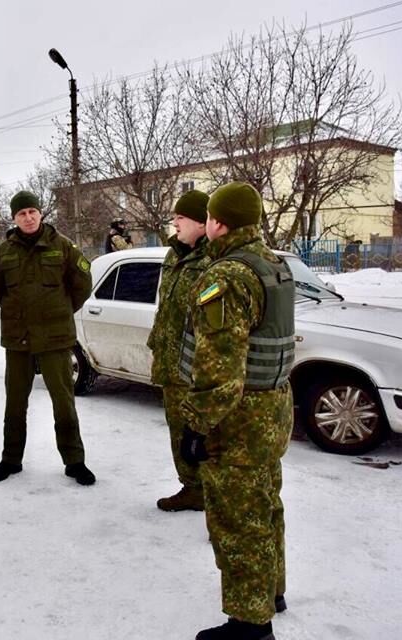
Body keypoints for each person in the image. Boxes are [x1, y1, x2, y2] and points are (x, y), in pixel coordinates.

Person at [175, 182, 295, 640]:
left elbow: (219, 368)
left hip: (238, 421)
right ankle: (271, 591)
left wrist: (197, 423)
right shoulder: (274, 265)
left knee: (237, 520)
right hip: (273, 410)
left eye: (208, 215)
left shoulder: (226, 277)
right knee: (265, 506)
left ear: (218, 222)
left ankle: (250, 623)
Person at [0, 190, 96, 486]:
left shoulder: (63, 247)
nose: (28, 217)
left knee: (63, 401)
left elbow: (82, 286)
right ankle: (11, 459)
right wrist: (19, 312)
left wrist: (59, 310)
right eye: (22, 214)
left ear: (41, 214)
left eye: (32, 212)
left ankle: (75, 462)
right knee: (15, 402)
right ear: (14, 218)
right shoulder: (2, 252)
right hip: (17, 338)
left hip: (56, 338)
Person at [145, 189, 211, 512]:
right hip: (171, 361)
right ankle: (191, 487)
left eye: (180, 218)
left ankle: (215, 494)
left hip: (200, 366)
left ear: (202, 222)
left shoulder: (215, 259)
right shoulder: (173, 255)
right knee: (178, 429)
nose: (174, 223)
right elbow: (165, 307)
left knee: (206, 434)